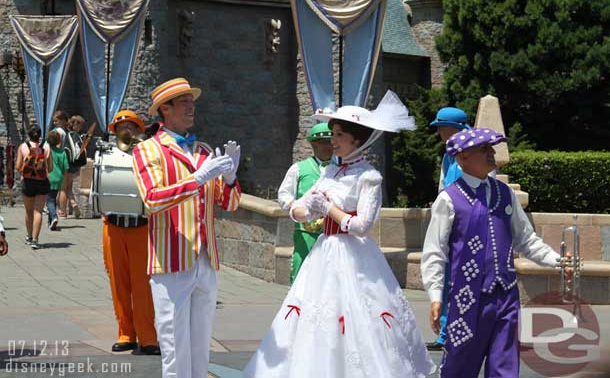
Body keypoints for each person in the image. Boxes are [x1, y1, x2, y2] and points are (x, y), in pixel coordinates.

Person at [244, 91, 436, 378]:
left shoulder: (368, 176)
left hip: (354, 255)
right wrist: (296, 207)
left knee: (359, 319)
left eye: (339, 134)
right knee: (316, 317)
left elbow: (362, 226)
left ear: (356, 140)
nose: (332, 140)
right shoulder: (330, 172)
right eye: (333, 133)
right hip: (324, 252)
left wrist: (330, 209)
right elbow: (304, 209)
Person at [421, 127, 572, 377]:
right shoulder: (449, 199)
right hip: (466, 299)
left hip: (506, 297)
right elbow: (434, 251)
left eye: (491, 147)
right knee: (460, 366)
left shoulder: (505, 193)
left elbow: (526, 239)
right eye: (484, 148)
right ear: (462, 157)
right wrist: (436, 295)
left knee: (505, 366)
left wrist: (557, 261)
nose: (492, 152)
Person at [132, 78, 241, 378]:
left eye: (191, 99)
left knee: (200, 350)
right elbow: (152, 199)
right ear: (164, 109)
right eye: (183, 100)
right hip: (171, 262)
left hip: (206, 261)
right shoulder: (147, 150)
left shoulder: (204, 150)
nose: (191, 104)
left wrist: (230, 179)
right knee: (175, 352)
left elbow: (228, 203)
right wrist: (196, 180)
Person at [102, 110, 160, 356]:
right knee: (119, 284)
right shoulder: (108, 154)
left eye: (132, 127)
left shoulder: (149, 153)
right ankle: (126, 333)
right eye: (121, 128)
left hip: (141, 227)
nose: (127, 132)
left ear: (140, 129)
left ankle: (148, 337)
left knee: (143, 285)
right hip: (113, 225)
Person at [426, 106, 470, 351]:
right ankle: (444, 334)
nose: (439, 132)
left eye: (442, 128)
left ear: (457, 129)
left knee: (464, 279)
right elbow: (443, 187)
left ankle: (462, 332)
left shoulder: (475, 152)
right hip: (449, 222)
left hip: (468, 225)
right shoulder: (448, 155)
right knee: (445, 276)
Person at [277, 122, 333, 283]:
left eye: (330, 141)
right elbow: (284, 194)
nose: (328, 146)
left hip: (333, 232)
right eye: (323, 142)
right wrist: (294, 206)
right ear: (313, 144)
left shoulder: (339, 169)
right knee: (303, 274)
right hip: (306, 232)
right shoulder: (299, 168)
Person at [16, 124, 52, 250]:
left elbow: (18, 166)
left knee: (28, 210)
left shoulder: (23, 147)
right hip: (42, 181)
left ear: (28, 134)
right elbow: (51, 168)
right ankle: (36, 240)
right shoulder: (46, 147)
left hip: (28, 181)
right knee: (39, 211)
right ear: (40, 135)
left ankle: (29, 236)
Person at [63, 115, 86, 218]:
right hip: (74, 164)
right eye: (81, 125)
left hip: (66, 163)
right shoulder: (78, 136)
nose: (81, 127)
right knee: (69, 187)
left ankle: (63, 211)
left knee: (63, 188)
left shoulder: (67, 135)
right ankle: (73, 203)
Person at [46, 131, 68, 231]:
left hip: (48, 176)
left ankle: (54, 217)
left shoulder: (47, 150)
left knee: (49, 200)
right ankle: (50, 222)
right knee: (52, 199)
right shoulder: (62, 152)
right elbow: (65, 167)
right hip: (59, 177)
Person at [51, 110, 69, 218]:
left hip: (56, 159)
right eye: (53, 121)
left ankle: (61, 210)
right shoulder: (63, 131)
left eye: (56, 121)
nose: (54, 123)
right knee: (63, 187)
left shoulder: (58, 131)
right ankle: (62, 210)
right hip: (63, 158)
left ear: (62, 121)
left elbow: (57, 146)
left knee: (60, 188)